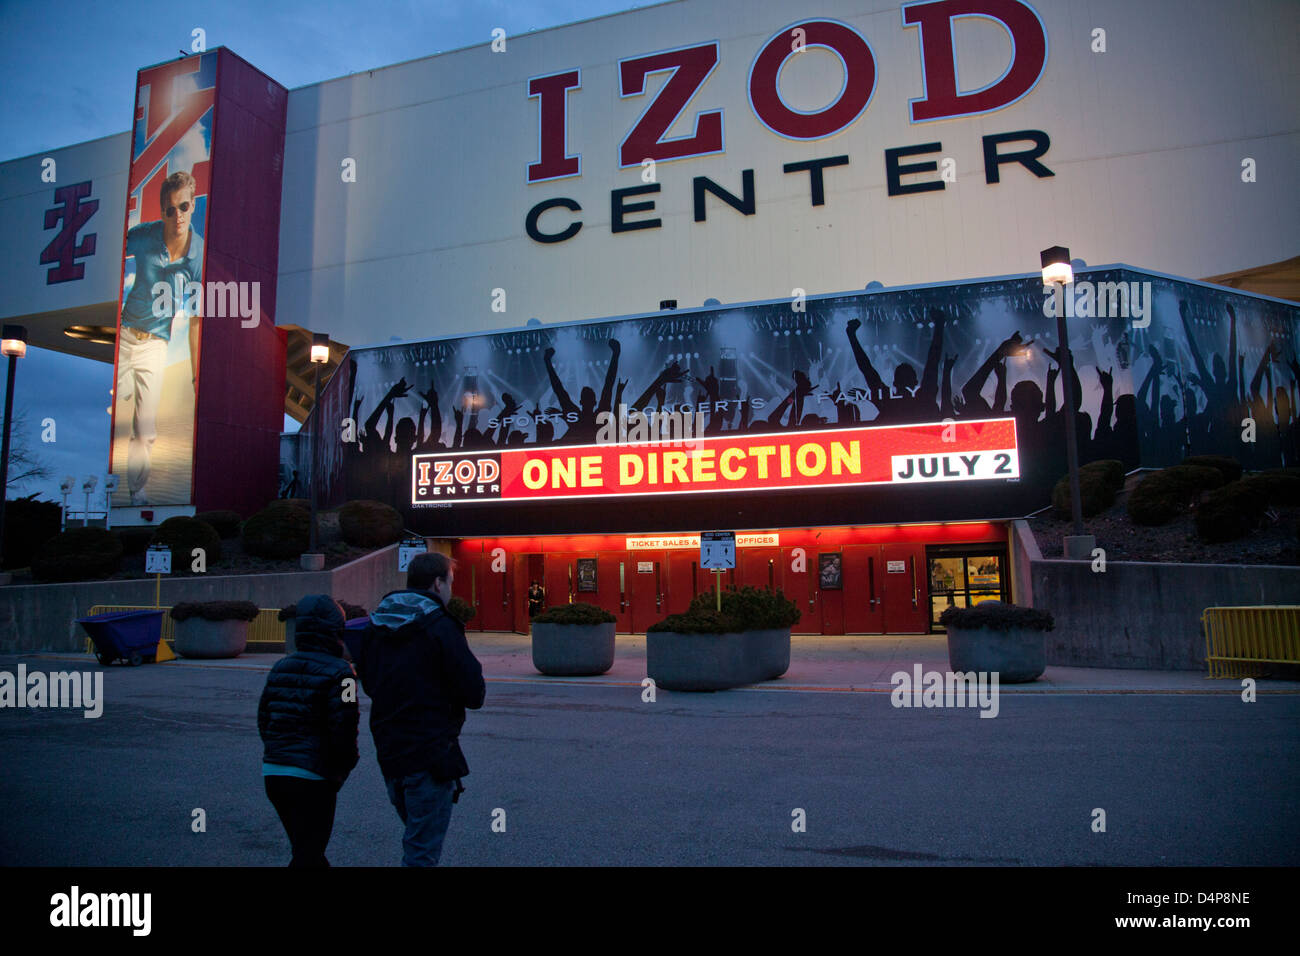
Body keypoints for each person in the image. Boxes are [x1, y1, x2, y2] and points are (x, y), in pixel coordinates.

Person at [355, 552, 485, 866]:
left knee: (417, 839)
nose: (451, 590)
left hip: (389, 753)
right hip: (430, 755)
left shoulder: (376, 625)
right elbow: (474, 692)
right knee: (422, 852)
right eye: (450, 582)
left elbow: (370, 683)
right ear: (438, 583)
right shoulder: (441, 626)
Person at [115, 169, 204, 506]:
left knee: (146, 427)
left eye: (183, 207)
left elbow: (196, 320)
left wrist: (196, 374)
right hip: (124, 335)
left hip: (156, 345)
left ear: (193, 205)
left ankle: (136, 492)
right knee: (112, 402)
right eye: (170, 209)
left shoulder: (198, 255)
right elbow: (112, 249)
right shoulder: (143, 236)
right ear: (162, 211)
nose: (177, 216)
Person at [257, 595, 359, 868]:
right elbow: (346, 726)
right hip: (314, 775)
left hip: (275, 772)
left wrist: (277, 750)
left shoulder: (280, 667)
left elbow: (264, 719)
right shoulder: (343, 673)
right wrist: (344, 765)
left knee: (306, 850)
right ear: (337, 630)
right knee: (309, 852)